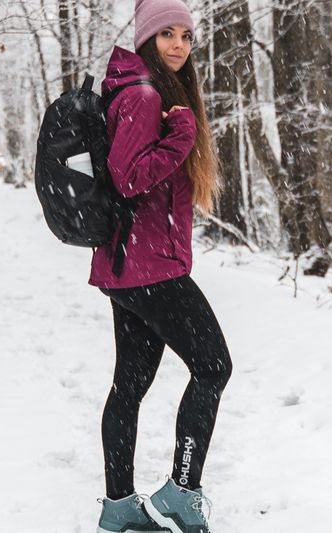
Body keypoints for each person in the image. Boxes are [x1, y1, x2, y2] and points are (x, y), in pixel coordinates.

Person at [90, 1, 232, 532]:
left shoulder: (146, 91)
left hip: (130, 265)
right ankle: (181, 491)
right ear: (147, 39)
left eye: (186, 36)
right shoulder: (145, 96)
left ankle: (119, 506)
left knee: (129, 386)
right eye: (167, 34)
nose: (178, 45)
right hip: (150, 267)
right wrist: (180, 139)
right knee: (213, 367)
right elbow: (127, 177)